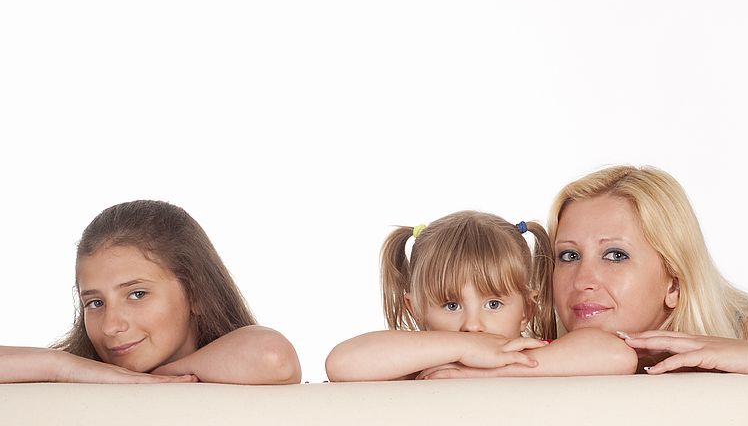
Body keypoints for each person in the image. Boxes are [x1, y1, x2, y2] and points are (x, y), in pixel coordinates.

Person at [549, 165, 748, 376]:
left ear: (674, 283)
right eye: (569, 255)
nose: (582, 281)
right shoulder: (538, 344)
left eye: (615, 255)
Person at [0, 200, 302, 384]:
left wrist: (164, 374)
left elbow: (272, 357)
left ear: (195, 293)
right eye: (94, 302)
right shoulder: (80, 375)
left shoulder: (243, 359)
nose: (111, 326)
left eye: (137, 294)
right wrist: (60, 366)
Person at [325, 210, 637, 381]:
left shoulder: (538, 353)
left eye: (493, 303)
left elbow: (617, 355)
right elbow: (342, 363)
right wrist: (462, 348)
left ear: (527, 308)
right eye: (451, 305)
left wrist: (480, 370)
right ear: (416, 309)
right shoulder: (416, 362)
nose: (472, 325)